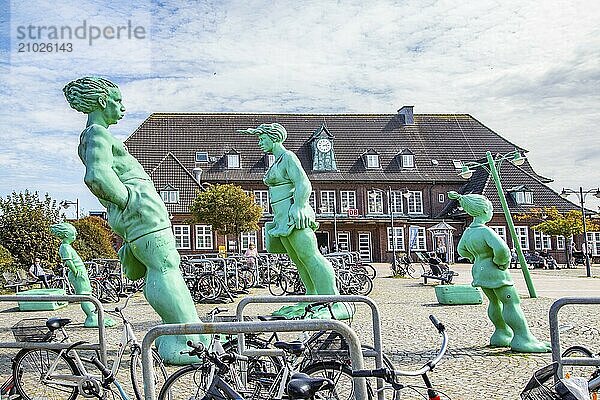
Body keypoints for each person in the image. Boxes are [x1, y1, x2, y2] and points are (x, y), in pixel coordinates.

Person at [63, 77, 203, 364]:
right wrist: (132, 202)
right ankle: (189, 340)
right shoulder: (97, 134)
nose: (123, 107)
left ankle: (186, 333)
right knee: (165, 268)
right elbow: (97, 176)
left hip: (135, 215)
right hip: (141, 212)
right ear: (103, 102)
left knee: (161, 269)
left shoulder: (92, 136)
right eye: (118, 101)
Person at [239, 123, 353, 320]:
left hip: (294, 216)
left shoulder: (288, 157)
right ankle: (312, 299)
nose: (259, 143)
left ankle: (334, 302)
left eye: (262, 139)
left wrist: (299, 205)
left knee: (310, 256)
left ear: (274, 138)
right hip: (281, 218)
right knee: (298, 260)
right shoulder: (276, 162)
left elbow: (303, 182)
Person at [448, 191, 550, 352]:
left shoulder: (468, 232)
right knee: (511, 302)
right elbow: (502, 250)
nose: (491, 212)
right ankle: (523, 339)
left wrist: (476, 257)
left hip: (479, 271)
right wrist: (500, 263)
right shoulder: (485, 231)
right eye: (490, 209)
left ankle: (501, 333)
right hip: (495, 271)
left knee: (494, 302)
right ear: (483, 211)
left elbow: (461, 251)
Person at [50, 222, 115, 328]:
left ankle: (93, 315)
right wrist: (75, 271)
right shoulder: (65, 247)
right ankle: (91, 318)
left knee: (87, 294)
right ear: (66, 235)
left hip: (79, 273)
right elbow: (68, 261)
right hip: (78, 274)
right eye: (74, 234)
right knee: (85, 295)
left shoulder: (67, 246)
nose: (75, 236)